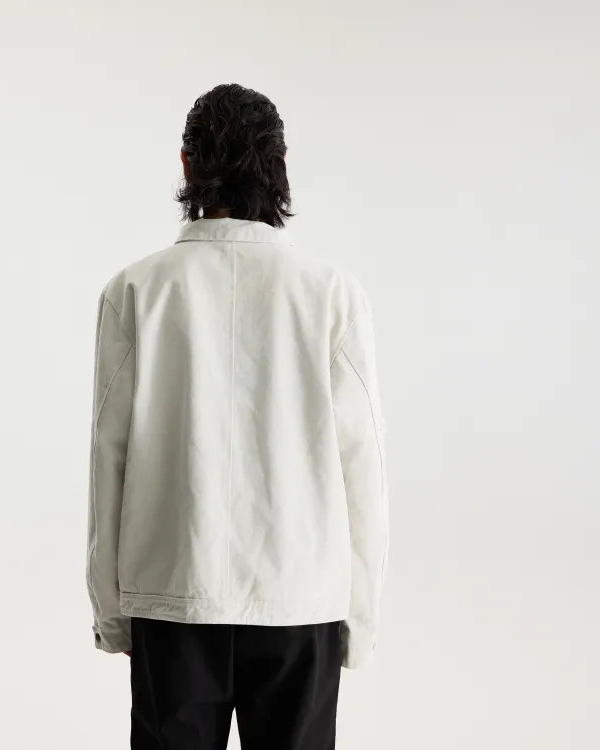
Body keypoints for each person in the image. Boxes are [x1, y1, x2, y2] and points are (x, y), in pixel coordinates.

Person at [86, 83, 388, 750]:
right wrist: (360, 619)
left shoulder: (135, 291)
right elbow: (362, 466)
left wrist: (113, 611)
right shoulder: (331, 294)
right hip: (300, 598)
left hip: (173, 592)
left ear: (187, 165)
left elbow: (110, 458)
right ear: (279, 168)